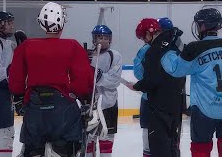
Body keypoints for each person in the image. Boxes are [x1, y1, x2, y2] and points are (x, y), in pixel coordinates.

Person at [8, 2, 94, 156]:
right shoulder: (73, 46)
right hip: (63, 111)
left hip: (34, 108)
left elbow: (15, 77)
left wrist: (19, 98)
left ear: (41, 23)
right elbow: (82, 81)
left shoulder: (27, 46)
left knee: (33, 149)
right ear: (62, 24)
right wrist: (83, 98)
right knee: (66, 148)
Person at [161, 8, 222, 157]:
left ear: (202, 26)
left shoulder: (194, 48)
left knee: (200, 149)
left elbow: (175, 69)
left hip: (203, 109)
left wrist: (167, 50)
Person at [127, 18, 185, 157]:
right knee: (173, 145)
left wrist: (137, 86)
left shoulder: (153, 51)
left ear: (150, 33)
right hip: (176, 105)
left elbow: (152, 80)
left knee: (159, 147)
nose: (144, 41)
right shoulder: (176, 45)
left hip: (159, 108)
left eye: (143, 37)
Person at [0, 11, 26, 157]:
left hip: (3, 90)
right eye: (8, 22)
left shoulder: (8, 43)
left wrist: (23, 48)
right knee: (5, 131)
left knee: (1, 130)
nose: (12, 25)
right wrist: (11, 70)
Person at [85, 25, 122, 157]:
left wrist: (97, 75)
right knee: (88, 140)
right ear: (94, 39)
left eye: (106, 37)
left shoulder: (115, 55)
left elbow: (114, 80)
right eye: (100, 37)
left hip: (108, 105)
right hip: (90, 106)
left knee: (106, 139)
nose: (103, 40)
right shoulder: (87, 55)